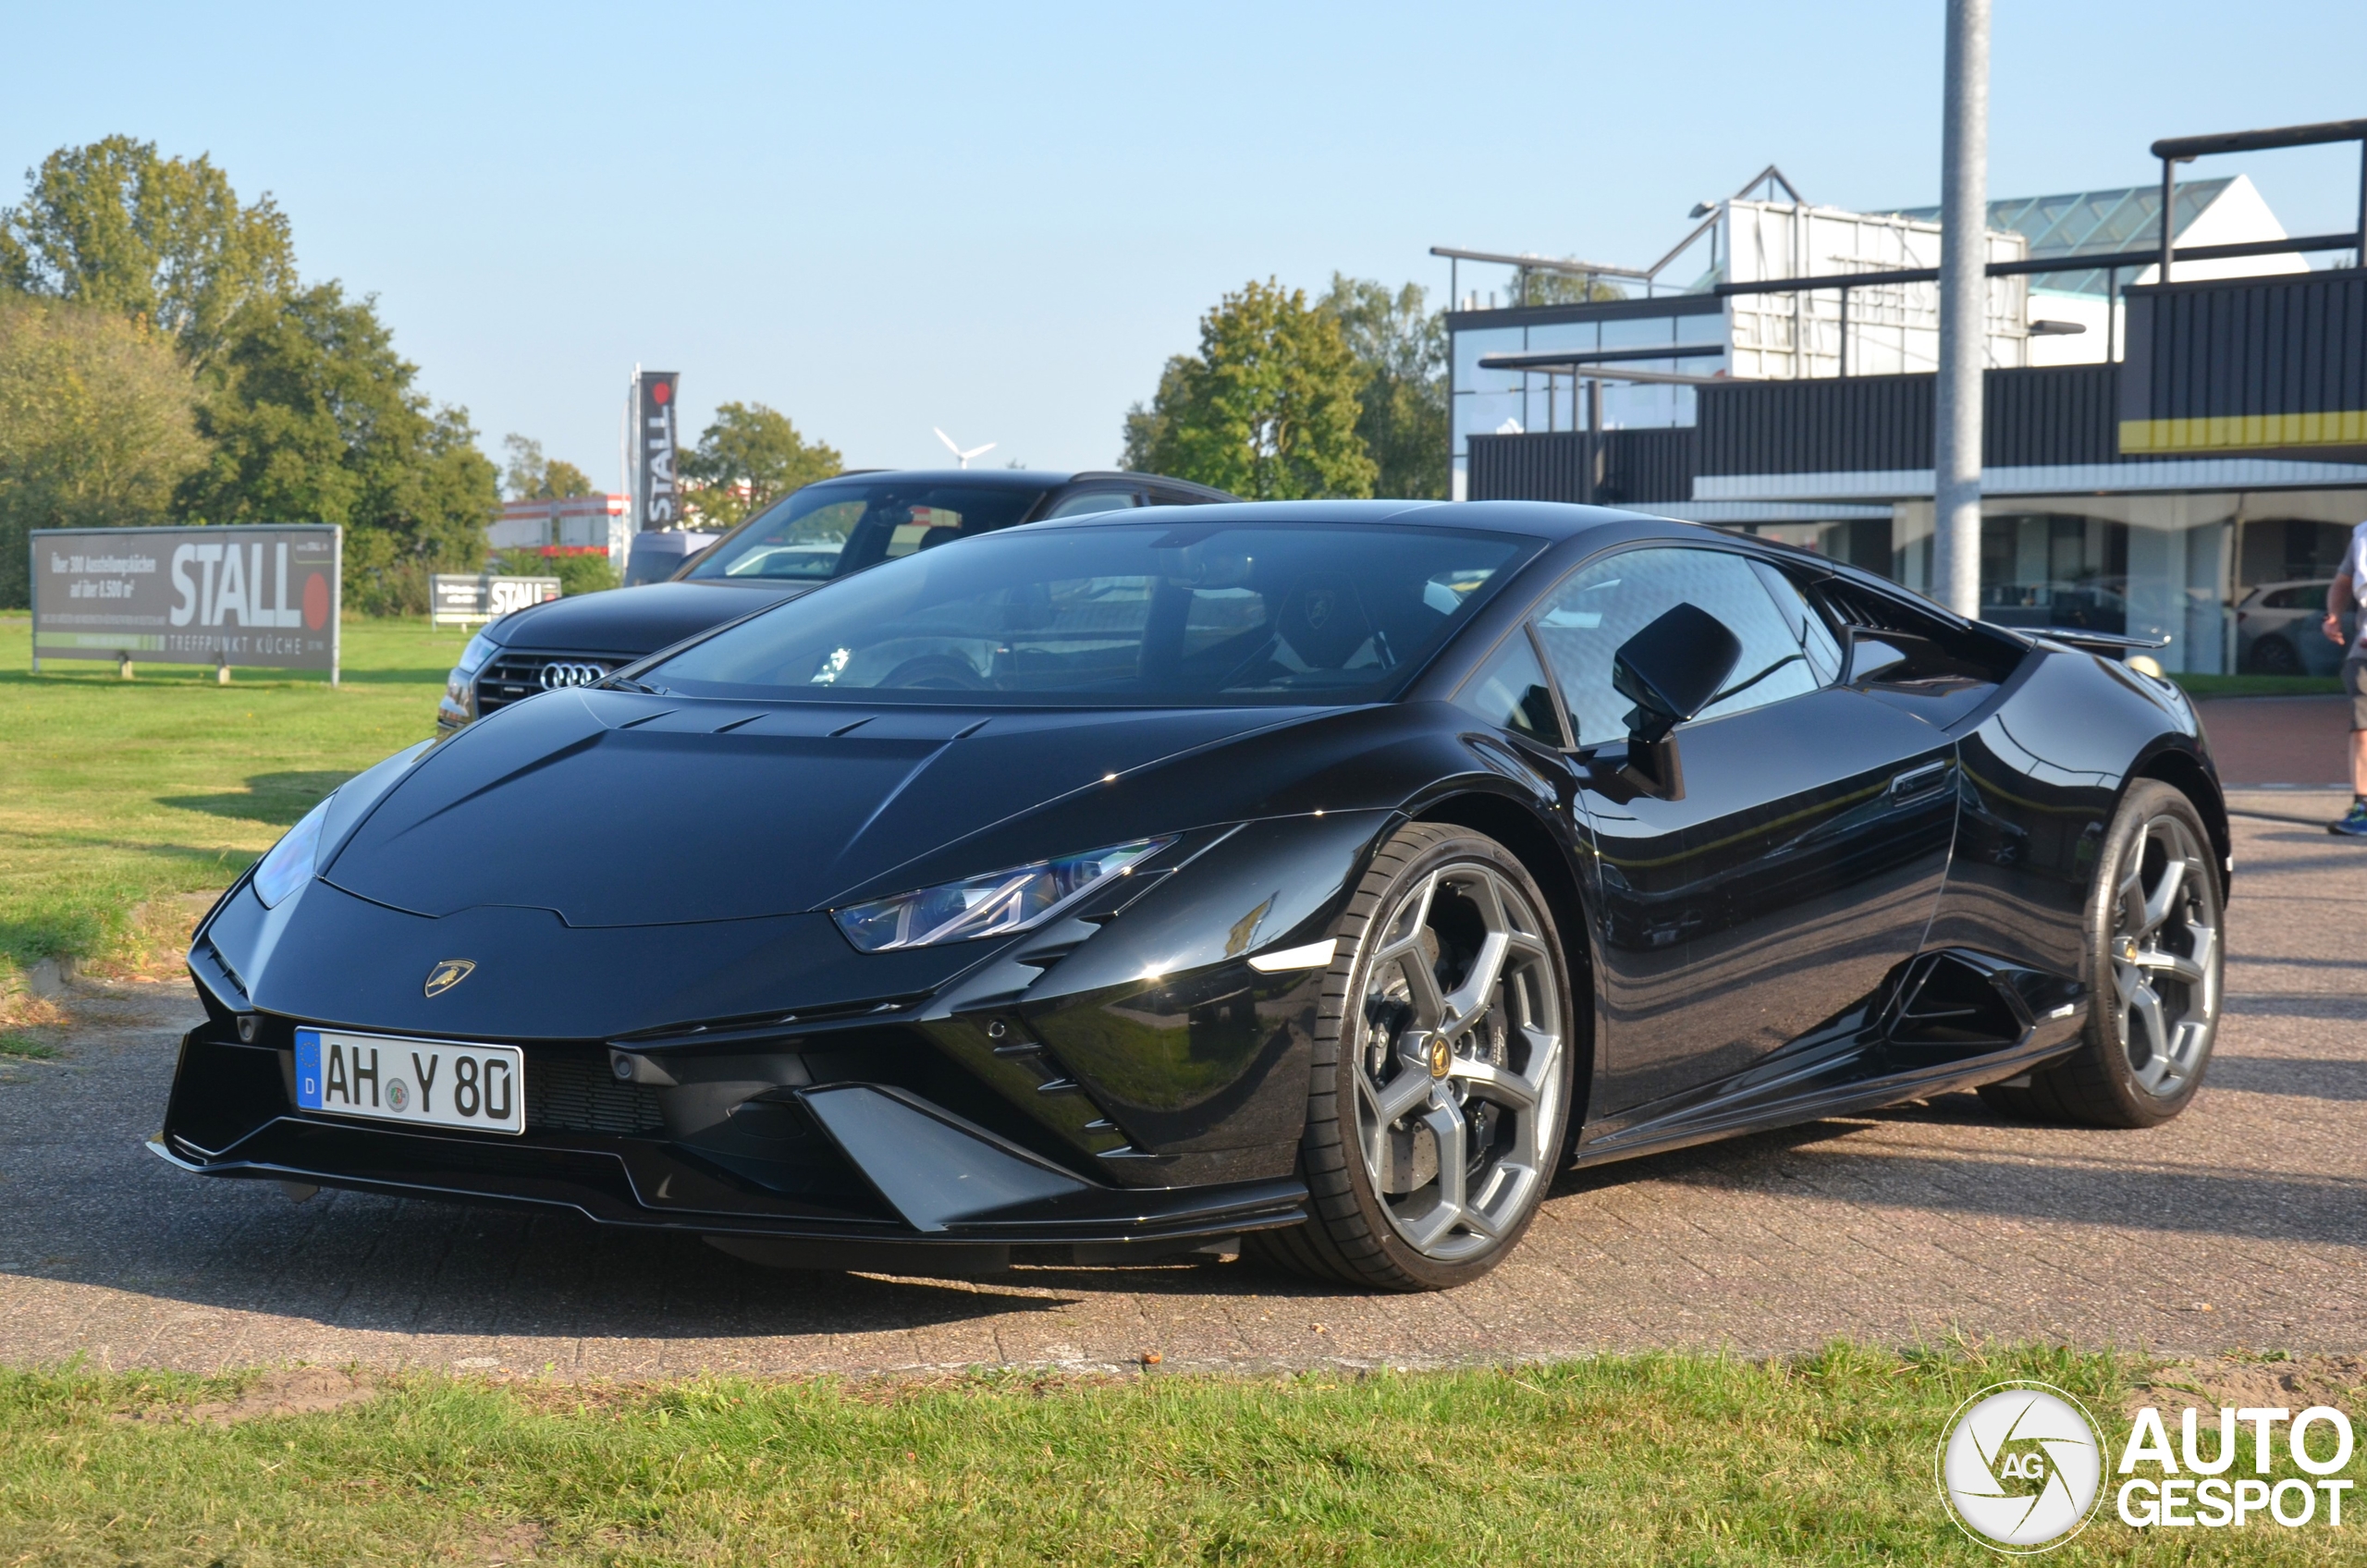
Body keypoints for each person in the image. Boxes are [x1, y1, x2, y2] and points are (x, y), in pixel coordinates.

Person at [2327, 518, 2367, 837]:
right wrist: (2334, 616)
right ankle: (2363, 806)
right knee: (2363, 728)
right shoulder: (2362, 536)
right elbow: (2343, 581)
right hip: (2363, 650)